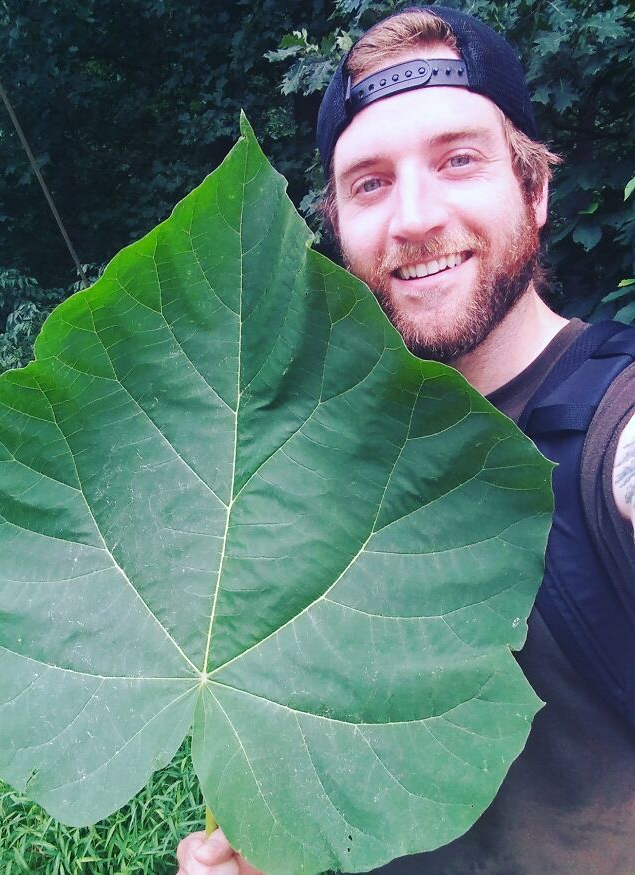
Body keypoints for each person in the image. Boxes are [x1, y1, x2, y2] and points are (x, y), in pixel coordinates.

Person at [177, 6, 635, 874]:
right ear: (339, 225)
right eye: (370, 183)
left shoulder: (614, 428)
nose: (414, 217)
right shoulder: (319, 466)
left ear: (535, 189)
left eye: (458, 159)